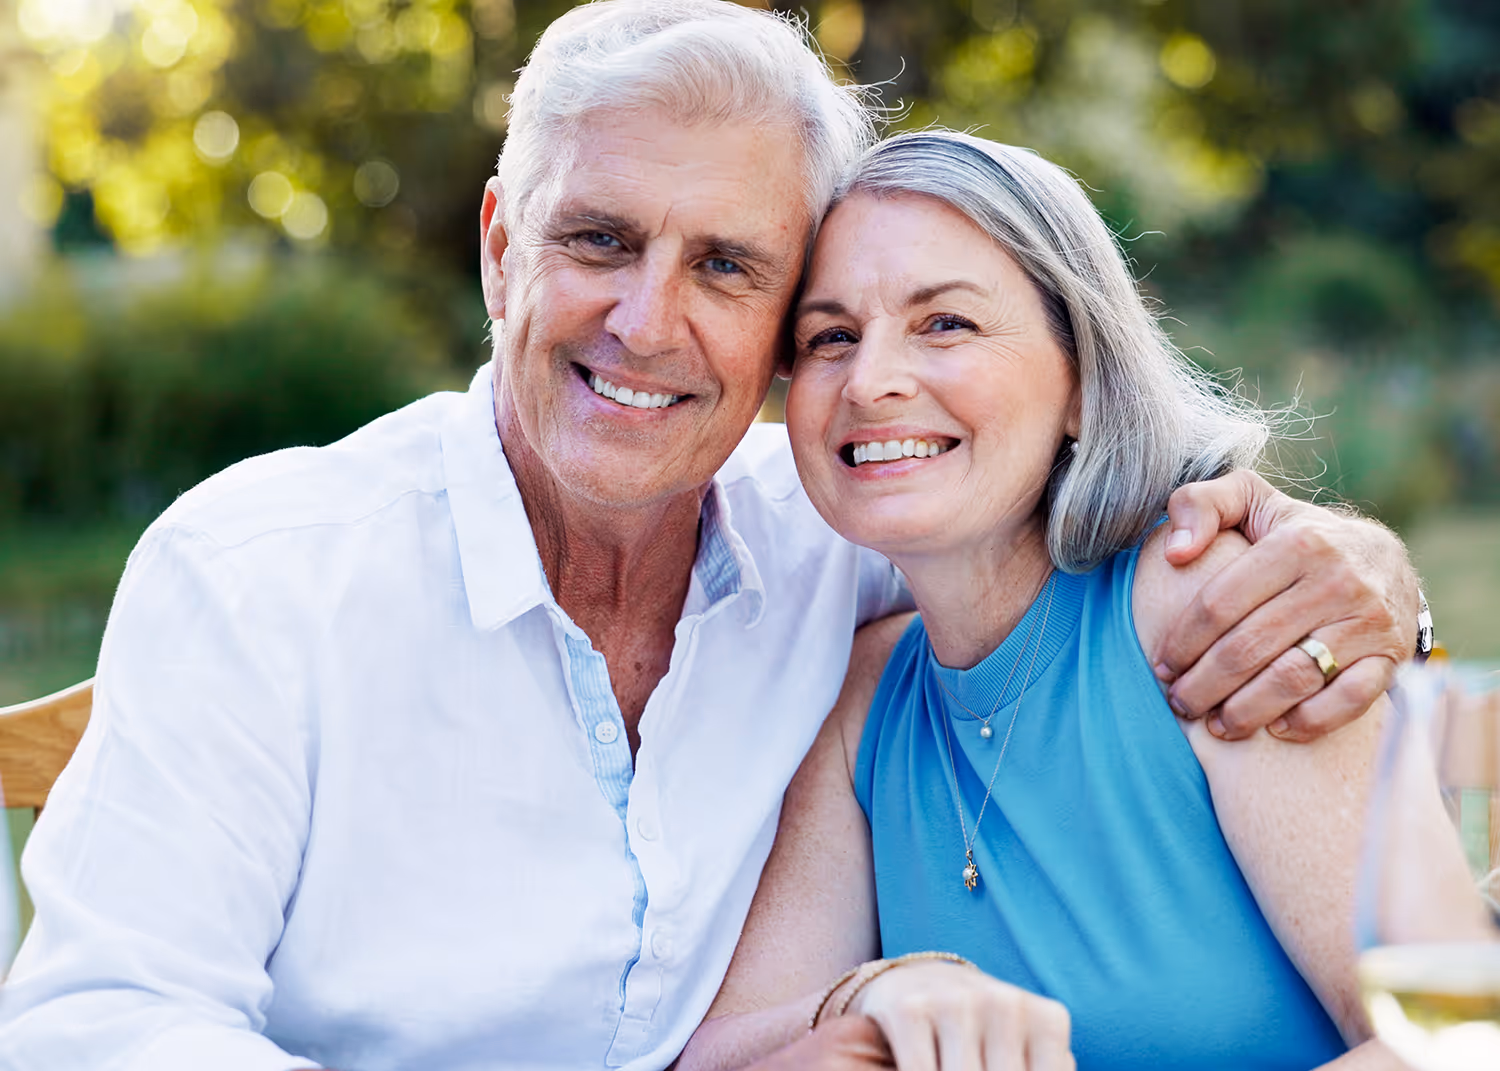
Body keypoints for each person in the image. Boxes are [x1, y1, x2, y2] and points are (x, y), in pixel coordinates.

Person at [0, 4, 1423, 1070]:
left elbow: (1033, 496)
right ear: (502, 244)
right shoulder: (264, 573)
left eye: (729, 268)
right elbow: (103, 1021)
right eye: (599, 241)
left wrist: (1356, 564)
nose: (647, 322)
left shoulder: (848, 537)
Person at [680, 131, 1486, 1071]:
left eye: (946, 323)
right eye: (831, 337)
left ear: (1080, 379)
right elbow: (724, 1052)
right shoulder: (863, 696)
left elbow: (1451, 1042)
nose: (871, 380)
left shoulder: (1208, 607)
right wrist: (871, 993)